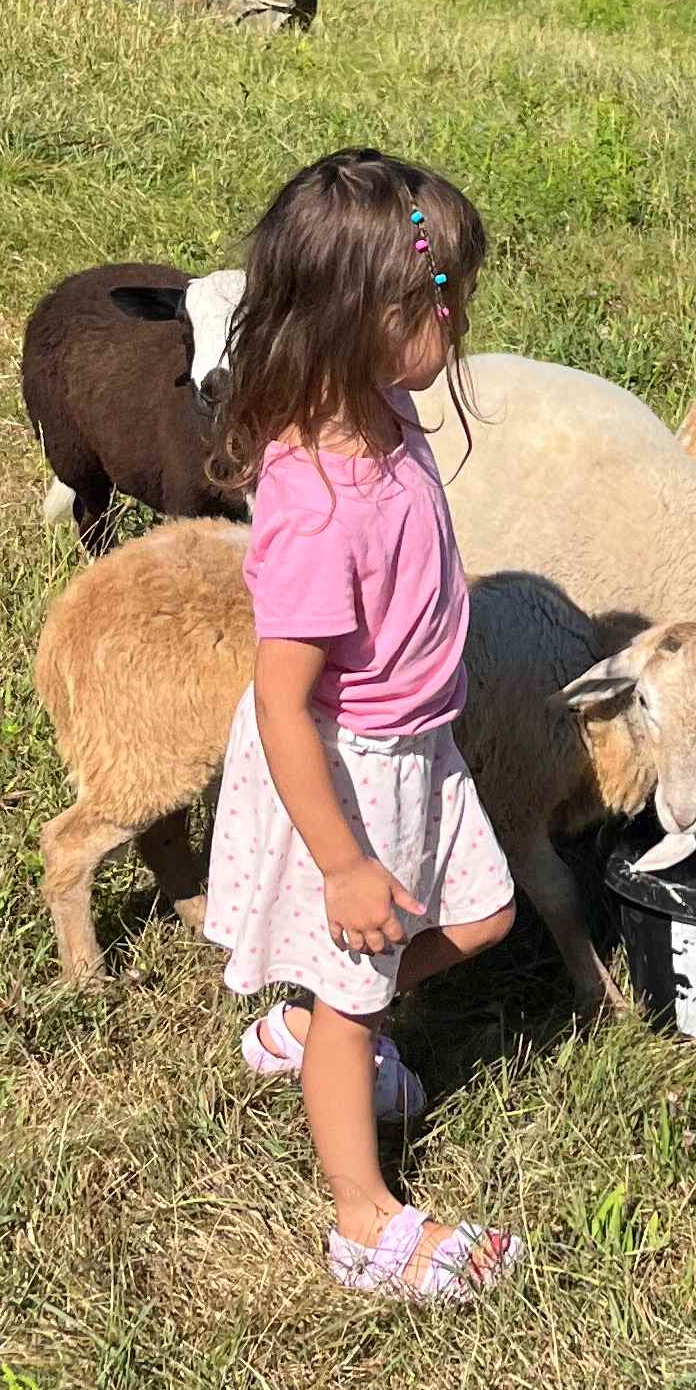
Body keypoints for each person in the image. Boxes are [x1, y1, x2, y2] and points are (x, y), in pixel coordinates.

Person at [200, 148, 522, 1306]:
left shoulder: (385, 415)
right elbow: (283, 702)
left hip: (419, 747)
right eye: (448, 305)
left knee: (482, 919)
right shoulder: (316, 511)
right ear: (368, 324)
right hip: (353, 769)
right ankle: (362, 1219)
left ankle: (305, 1022)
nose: (462, 325)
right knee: (360, 988)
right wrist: (340, 861)